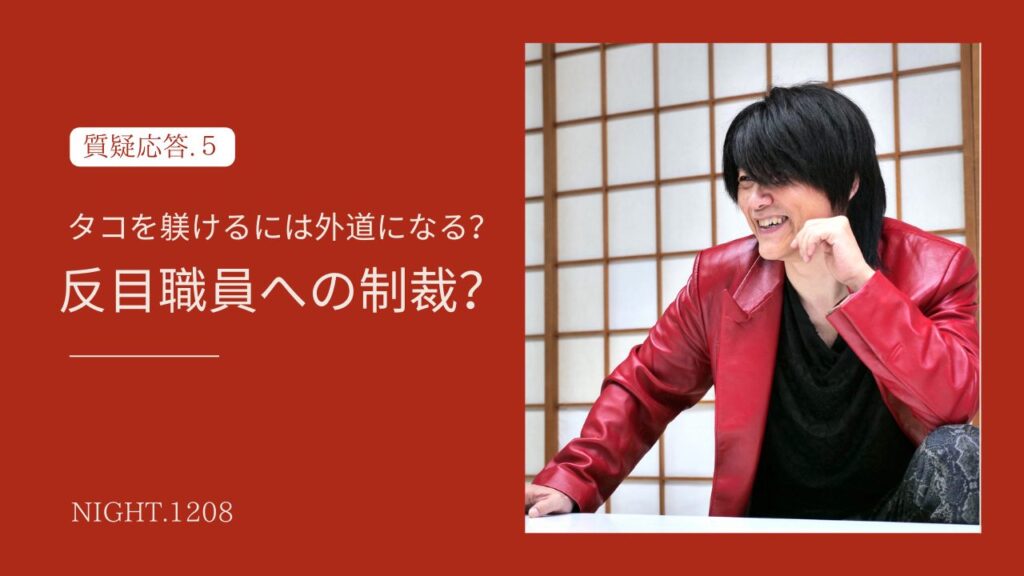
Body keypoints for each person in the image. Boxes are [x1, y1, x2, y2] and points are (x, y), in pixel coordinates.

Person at [525, 84, 980, 524]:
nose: (757, 200)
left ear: (849, 182)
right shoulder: (720, 281)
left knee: (963, 450)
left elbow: (953, 406)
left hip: (894, 527)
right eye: (747, 180)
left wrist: (863, 284)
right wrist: (573, 480)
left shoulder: (937, 269)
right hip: (765, 527)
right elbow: (647, 388)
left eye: (779, 177)